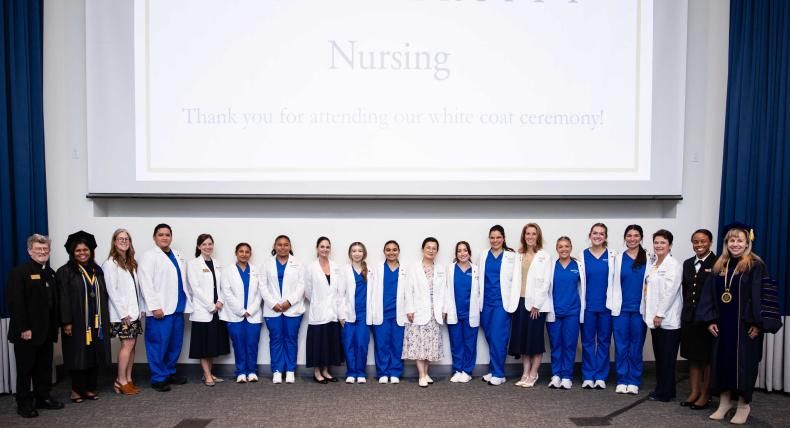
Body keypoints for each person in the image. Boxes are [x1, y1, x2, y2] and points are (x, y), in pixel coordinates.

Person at [697, 223, 781, 424]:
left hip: (745, 327)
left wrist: (759, 324)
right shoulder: (720, 266)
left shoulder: (755, 265)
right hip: (723, 326)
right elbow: (709, 295)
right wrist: (709, 320)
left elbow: (763, 296)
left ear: (746, 243)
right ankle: (725, 402)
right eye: (731, 240)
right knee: (722, 363)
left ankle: (743, 404)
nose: (735, 244)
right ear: (727, 243)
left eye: (739, 240)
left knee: (745, 365)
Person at [6, 234, 64, 417]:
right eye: (38, 249)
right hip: (27, 332)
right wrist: (24, 328)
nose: (42, 252)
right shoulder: (20, 272)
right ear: (30, 251)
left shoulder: (50, 272)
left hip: (46, 331)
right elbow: (16, 302)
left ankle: (42, 397)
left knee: (44, 367)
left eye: (45, 249)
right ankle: (23, 402)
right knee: (26, 369)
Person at [57, 230, 112, 403]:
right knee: (77, 354)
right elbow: (63, 298)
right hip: (77, 321)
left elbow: (104, 295)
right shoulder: (66, 272)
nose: (82, 253)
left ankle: (89, 388)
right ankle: (76, 389)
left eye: (85, 250)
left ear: (91, 251)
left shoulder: (97, 270)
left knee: (94, 353)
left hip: (96, 321)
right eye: (78, 251)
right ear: (72, 253)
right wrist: (66, 322)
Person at [138, 223, 192, 392]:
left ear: (171, 237)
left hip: (177, 307)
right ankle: (158, 377)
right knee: (158, 344)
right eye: (160, 234)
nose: (164, 237)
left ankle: (169, 372)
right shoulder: (149, 256)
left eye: (167, 234)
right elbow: (145, 283)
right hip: (160, 310)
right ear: (154, 237)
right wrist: (154, 306)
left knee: (175, 344)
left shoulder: (177, 255)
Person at [642, 229, 683, 402]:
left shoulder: (673, 265)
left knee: (667, 358)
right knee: (661, 356)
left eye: (663, 243)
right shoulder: (653, 264)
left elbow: (671, 292)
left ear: (670, 245)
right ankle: (666, 389)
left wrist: (659, 314)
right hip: (655, 318)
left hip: (667, 319)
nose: (659, 245)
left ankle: (664, 392)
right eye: (656, 242)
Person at [509, 223, 552, 388]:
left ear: (538, 236)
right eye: (528, 234)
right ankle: (525, 372)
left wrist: (537, 305)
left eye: (534, 234)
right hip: (520, 302)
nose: (530, 237)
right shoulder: (518, 255)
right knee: (523, 340)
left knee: (534, 340)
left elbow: (546, 282)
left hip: (536, 306)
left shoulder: (544, 256)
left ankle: (534, 373)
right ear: (524, 236)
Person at [101, 229, 143, 395]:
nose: (124, 241)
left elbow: (135, 289)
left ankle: (128, 378)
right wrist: (123, 312)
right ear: (114, 241)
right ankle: (120, 380)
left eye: (126, 239)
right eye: (120, 239)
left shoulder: (131, 262)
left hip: (134, 312)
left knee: (132, 346)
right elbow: (112, 291)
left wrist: (140, 309)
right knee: (127, 344)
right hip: (122, 314)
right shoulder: (110, 263)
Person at [607, 225, 648, 395]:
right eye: (629, 236)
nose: (632, 239)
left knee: (636, 346)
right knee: (621, 346)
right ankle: (622, 379)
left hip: (640, 310)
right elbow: (610, 283)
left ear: (641, 238)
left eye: (636, 235)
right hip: (621, 310)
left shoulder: (649, 258)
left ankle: (634, 380)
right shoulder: (617, 258)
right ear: (625, 238)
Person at [478, 225, 521, 386]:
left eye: (498, 237)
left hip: (502, 304)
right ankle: (493, 369)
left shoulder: (511, 256)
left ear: (503, 238)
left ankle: (499, 373)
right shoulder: (483, 255)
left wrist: (513, 304)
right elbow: (478, 278)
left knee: (498, 338)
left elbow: (516, 281)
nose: (495, 240)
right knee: (490, 336)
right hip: (486, 303)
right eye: (492, 237)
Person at [186, 234, 230, 387]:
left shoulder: (217, 263)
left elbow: (223, 285)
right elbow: (195, 288)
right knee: (203, 345)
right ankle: (206, 374)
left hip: (217, 310)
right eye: (204, 244)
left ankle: (209, 373)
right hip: (203, 311)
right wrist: (211, 305)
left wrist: (220, 301)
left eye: (210, 244)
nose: (207, 247)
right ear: (199, 247)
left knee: (212, 345)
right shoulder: (193, 264)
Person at [260, 235, 305, 384]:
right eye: (279, 245)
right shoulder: (267, 264)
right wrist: (273, 303)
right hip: (273, 310)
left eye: (286, 245)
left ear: (290, 247)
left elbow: (301, 285)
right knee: (276, 339)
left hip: (292, 309)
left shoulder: (298, 264)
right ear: (274, 247)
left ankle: (290, 370)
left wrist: (289, 302)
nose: (283, 247)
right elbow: (263, 286)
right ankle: (277, 371)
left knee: (291, 339)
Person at [679, 229, 716, 409]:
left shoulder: (717, 263)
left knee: (706, 358)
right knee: (692, 357)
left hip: (707, 319)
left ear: (710, 242)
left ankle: (705, 394)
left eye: (703, 241)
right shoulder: (687, 263)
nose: (699, 245)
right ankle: (694, 392)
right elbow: (686, 290)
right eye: (695, 241)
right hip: (689, 318)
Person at [403, 237, 446, 388]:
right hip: (418, 311)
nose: (431, 250)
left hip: (434, 312)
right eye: (428, 247)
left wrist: (443, 309)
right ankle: (421, 375)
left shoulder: (440, 269)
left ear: (437, 251)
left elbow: (443, 291)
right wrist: (409, 309)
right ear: (423, 249)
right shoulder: (414, 267)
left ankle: (426, 373)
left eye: (434, 248)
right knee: (419, 345)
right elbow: (408, 290)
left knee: (430, 345)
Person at [546, 236, 586, 390]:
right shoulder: (551, 267)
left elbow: (584, 288)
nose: (564, 249)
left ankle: (567, 376)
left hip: (572, 312)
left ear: (571, 247)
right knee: (556, 345)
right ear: (557, 249)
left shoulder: (578, 266)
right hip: (555, 312)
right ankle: (556, 375)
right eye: (560, 246)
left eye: (566, 246)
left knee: (569, 345)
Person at [580, 223, 616, 389]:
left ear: (606, 237)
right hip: (588, 307)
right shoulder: (582, 255)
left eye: (601, 234)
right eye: (595, 233)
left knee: (603, 342)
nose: (598, 236)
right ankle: (588, 375)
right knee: (587, 342)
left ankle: (601, 376)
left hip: (606, 307)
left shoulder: (612, 255)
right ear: (590, 235)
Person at [303, 236, 344, 383]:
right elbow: (307, 290)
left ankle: (326, 371)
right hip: (318, 311)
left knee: (329, 342)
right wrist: (318, 301)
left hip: (332, 312)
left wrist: (340, 312)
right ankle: (317, 372)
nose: (325, 249)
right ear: (317, 249)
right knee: (318, 343)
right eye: (322, 246)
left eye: (327, 247)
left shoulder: (335, 267)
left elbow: (339, 291)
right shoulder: (311, 267)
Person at [221, 243, 263, 383]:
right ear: (236, 253)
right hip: (234, 315)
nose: (244, 254)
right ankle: (240, 372)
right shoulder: (227, 271)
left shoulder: (256, 270)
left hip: (253, 314)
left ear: (250, 254)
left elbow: (259, 293)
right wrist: (240, 311)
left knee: (252, 343)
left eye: (247, 252)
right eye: (241, 251)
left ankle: (251, 371)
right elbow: (226, 292)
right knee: (238, 344)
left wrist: (250, 310)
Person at [370, 240, 408, 384]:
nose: (391, 252)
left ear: (398, 251)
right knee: (382, 344)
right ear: (384, 252)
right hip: (381, 313)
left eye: (394, 249)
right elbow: (372, 291)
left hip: (399, 313)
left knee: (397, 344)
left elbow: (409, 292)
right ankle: (383, 372)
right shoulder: (377, 268)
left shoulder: (405, 269)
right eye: (388, 250)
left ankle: (395, 372)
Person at [339, 242, 374, 384]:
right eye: (354, 251)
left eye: (360, 251)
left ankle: (360, 372)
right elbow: (339, 294)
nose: (357, 253)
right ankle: (351, 372)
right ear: (350, 254)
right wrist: (341, 315)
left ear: (364, 253)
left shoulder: (370, 271)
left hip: (365, 314)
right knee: (348, 344)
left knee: (361, 344)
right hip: (348, 313)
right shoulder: (344, 271)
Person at [445, 241, 479, 383]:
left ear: (469, 253)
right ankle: (458, 369)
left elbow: (480, 292)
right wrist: (444, 309)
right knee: (456, 343)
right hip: (454, 312)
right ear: (456, 254)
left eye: (465, 250)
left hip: (471, 312)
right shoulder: (450, 269)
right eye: (459, 251)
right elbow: (445, 291)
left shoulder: (476, 270)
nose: (462, 253)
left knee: (470, 343)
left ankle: (467, 370)